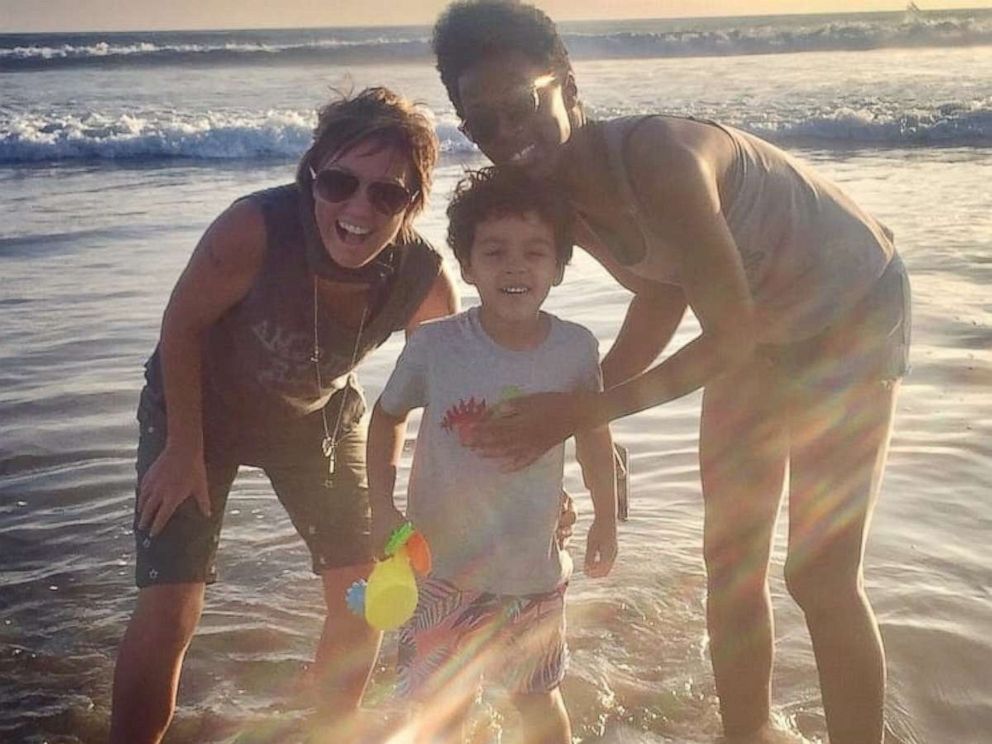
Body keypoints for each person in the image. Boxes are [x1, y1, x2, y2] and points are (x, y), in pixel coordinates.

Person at [431, 3, 912, 744]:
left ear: (565, 80)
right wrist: (589, 409)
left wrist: (588, 412)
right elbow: (663, 289)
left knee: (818, 575)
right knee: (731, 560)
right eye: (482, 124)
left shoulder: (661, 159)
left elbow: (727, 333)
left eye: (521, 105)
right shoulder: (561, 197)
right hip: (756, 335)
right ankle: (744, 735)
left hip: (850, 312)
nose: (508, 135)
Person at [109, 87, 460, 744]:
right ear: (311, 178)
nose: (358, 209)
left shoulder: (423, 279)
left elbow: (441, 393)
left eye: (387, 194)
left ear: (412, 203)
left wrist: (418, 497)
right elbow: (181, 325)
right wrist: (182, 447)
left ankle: (329, 730)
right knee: (172, 603)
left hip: (314, 419)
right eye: (339, 182)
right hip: (196, 411)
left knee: (366, 593)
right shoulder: (254, 228)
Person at [367, 166, 619, 744]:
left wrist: (605, 516)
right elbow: (386, 417)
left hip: (531, 572)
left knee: (538, 700)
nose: (515, 265)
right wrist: (382, 509)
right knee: (441, 711)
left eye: (536, 252)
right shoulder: (436, 345)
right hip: (440, 573)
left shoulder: (575, 347)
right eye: (495, 250)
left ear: (557, 267)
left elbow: (593, 435)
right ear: (467, 265)